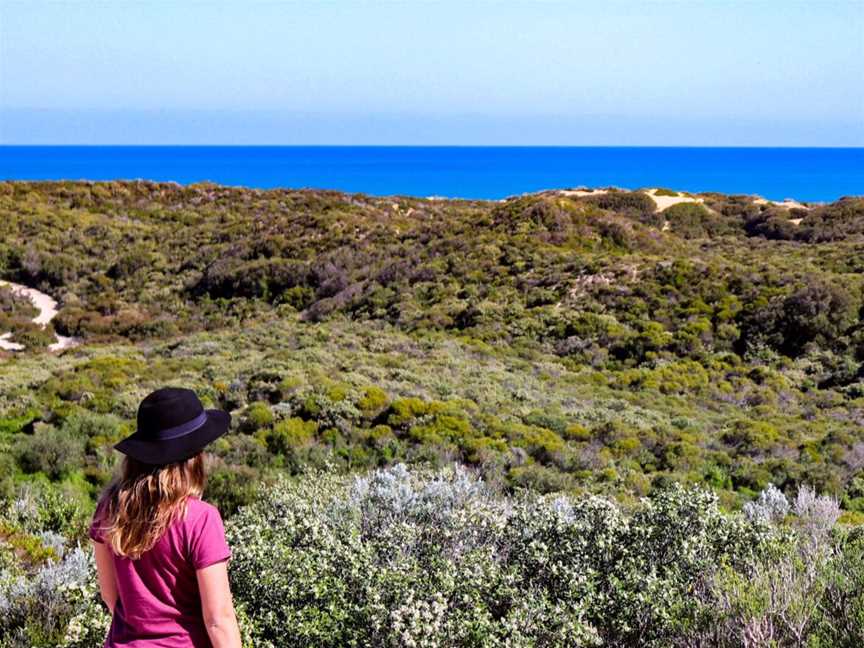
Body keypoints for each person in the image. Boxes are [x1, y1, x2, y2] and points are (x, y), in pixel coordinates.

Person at [90, 387, 241, 648]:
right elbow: (218, 620)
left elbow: (109, 595)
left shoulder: (108, 509)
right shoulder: (201, 519)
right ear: (193, 457)